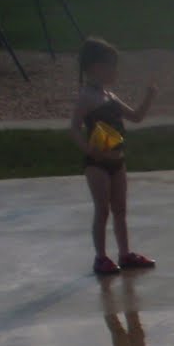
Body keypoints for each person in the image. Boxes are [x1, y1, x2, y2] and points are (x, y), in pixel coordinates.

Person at [70, 37, 158, 277]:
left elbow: (136, 117)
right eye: (111, 66)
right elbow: (74, 127)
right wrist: (87, 149)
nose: (115, 71)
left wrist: (149, 96)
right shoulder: (87, 96)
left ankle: (125, 253)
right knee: (103, 210)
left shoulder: (110, 95)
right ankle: (100, 257)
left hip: (117, 161)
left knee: (120, 209)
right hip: (98, 163)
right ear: (96, 67)